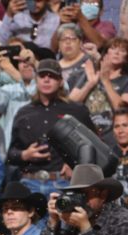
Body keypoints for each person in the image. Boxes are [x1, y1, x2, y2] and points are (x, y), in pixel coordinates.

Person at [8, 59, 96, 195]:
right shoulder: (23, 113)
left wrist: (76, 164)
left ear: (60, 81)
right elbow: (11, 154)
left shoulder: (76, 110)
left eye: (52, 76)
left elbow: (93, 144)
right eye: (42, 76)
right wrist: (25, 155)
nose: (46, 80)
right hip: (30, 183)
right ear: (36, 79)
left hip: (64, 183)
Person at [69, 37, 128, 135]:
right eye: (113, 48)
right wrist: (90, 84)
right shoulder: (90, 73)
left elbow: (122, 109)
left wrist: (106, 82)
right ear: (106, 53)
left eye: (122, 50)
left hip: (111, 135)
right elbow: (71, 102)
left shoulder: (126, 80)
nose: (117, 53)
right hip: (85, 131)